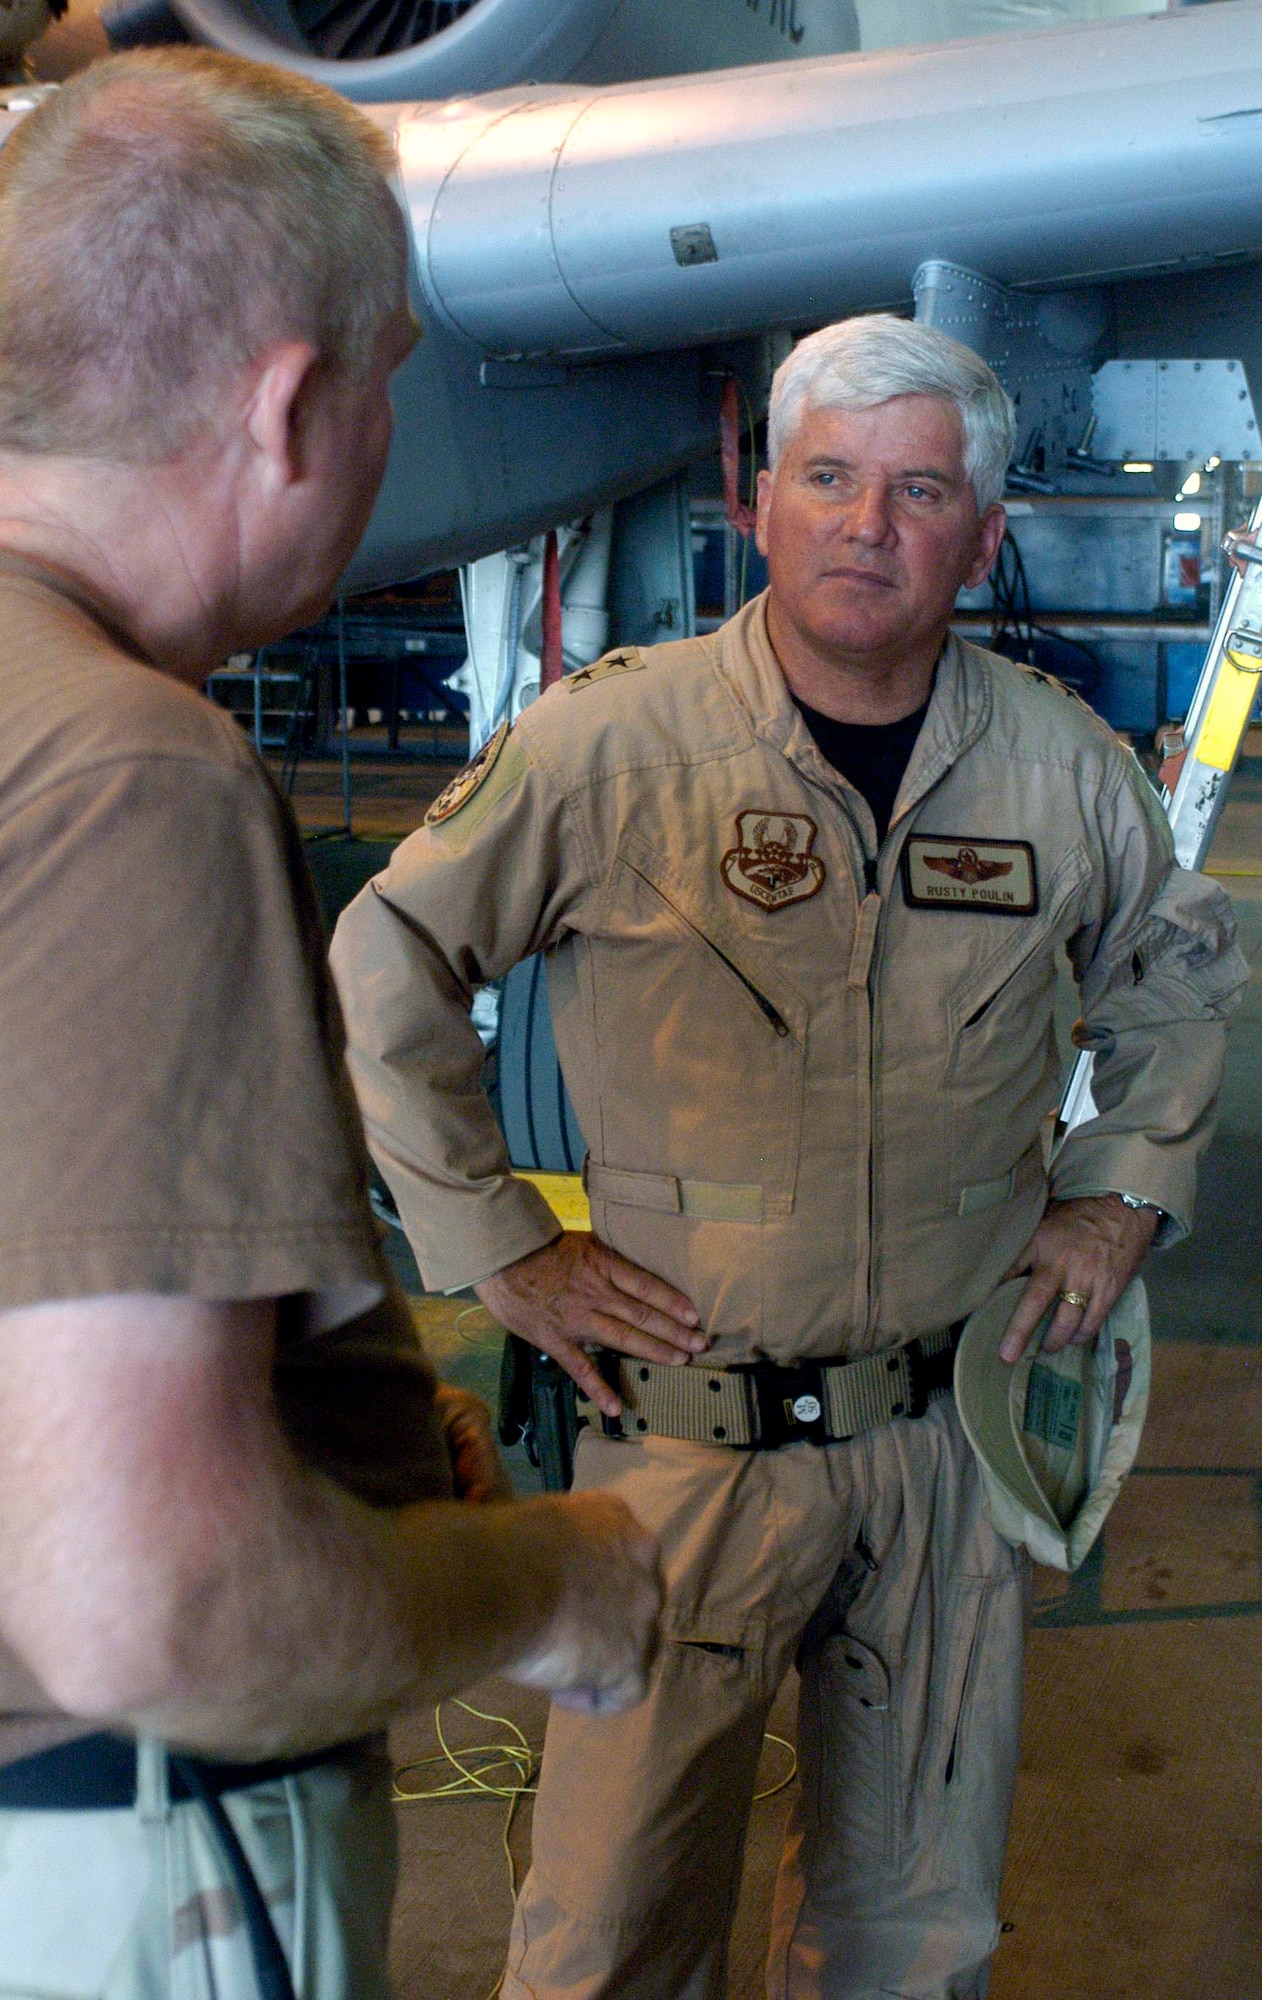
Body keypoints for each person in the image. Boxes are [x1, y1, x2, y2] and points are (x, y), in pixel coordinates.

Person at [329, 315, 1246, 1999]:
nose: (864, 525)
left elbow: (1177, 985)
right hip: (689, 1448)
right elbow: (384, 966)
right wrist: (495, 1244)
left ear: (981, 535)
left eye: (916, 491)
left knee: (915, 1936)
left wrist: (1119, 1190)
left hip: (948, 1445)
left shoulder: (1056, 768)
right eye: (827, 479)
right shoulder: (615, 749)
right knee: (608, 1931)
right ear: (761, 503)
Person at [0, 48, 663, 2000]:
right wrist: (549, 1579)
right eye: (391, 369)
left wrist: (333, 1424)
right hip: (104, 1858)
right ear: (293, 406)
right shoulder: (127, 775)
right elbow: (155, 1600)